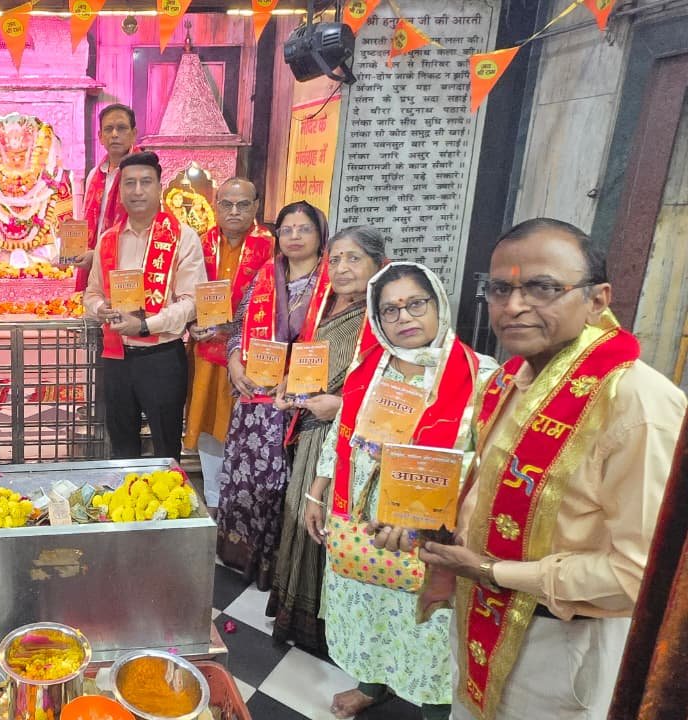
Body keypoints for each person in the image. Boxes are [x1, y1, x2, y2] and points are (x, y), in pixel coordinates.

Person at [379, 219, 687, 720]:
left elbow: (643, 575)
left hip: (560, 646)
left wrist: (490, 571)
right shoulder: (509, 380)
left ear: (597, 299)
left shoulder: (636, 404)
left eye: (543, 287)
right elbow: (491, 499)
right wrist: (430, 529)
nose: (514, 306)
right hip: (480, 618)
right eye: (501, 289)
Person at [304, 262, 494, 719]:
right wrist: (317, 490)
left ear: (438, 304)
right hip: (361, 517)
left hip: (431, 530)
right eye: (390, 310)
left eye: (415, 304)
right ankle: (372, 685)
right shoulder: (371, 367)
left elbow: (487, 463)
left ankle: (435, 711)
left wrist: (426, 519)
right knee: (368, 610)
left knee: (429, 625)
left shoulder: (481, 375)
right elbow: (342, 434)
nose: (404, 317)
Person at [266, 225, 387, 655]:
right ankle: (301, 619)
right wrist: (289, 387)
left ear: (378, 265)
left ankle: (329, 628)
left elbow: (389, 389)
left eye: (353, 258)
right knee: (304, 517)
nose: (341, 268)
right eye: (334, 259)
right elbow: (310, 365)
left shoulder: (384, 318)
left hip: (351, 442)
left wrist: (339, 406)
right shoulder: (328, 308)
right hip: (313, 433)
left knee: (329, 526)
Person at [217, 201, 330, 587]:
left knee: (281, 486)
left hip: (296, 407)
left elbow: (333, 345)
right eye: (287, 230)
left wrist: (295, 379)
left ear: (320, 235)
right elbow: (238, 326)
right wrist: (235, 360)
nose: (294, 237)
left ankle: (275, 568)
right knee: (245, 481)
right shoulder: (266, 275)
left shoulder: (330, 284)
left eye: (304, 229)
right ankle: (240, 556)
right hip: (253, 401)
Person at [83, 151, 206, 459]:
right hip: (116, 358)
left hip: (161, 359)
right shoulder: (108, 239)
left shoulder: (183, 238)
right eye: (129, 183)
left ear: (160, 187)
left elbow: (192, 302)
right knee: (121, 447)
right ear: (120, 190)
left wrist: (144, 325)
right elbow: (91, 294)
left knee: (166, 448)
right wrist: (100, 309)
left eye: (146, 182)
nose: (137, 190)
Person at [182, 178, 273, 508]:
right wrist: (191, 322)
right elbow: (183, 292)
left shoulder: (271, 247)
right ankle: (213, 498)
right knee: (208, 424)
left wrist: (232, 327)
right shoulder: (200, 244)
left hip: (250, 357)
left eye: (243, 204)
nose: (234, 211)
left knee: (243, 427)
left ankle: (243, 502)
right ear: (215, 206)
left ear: (256, 206)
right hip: (206, 354)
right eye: (226, 204)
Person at [76, 103, 138, 291]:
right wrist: (72, 253)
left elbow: (143, 231)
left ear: (134, 134)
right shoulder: (94, 175)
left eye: (122, 128)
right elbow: (86, 224)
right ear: (100, 137)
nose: (115, 134)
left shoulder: (141, 175)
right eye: (108, 129)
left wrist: (98, 255)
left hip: (129, 270)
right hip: (94, 271)